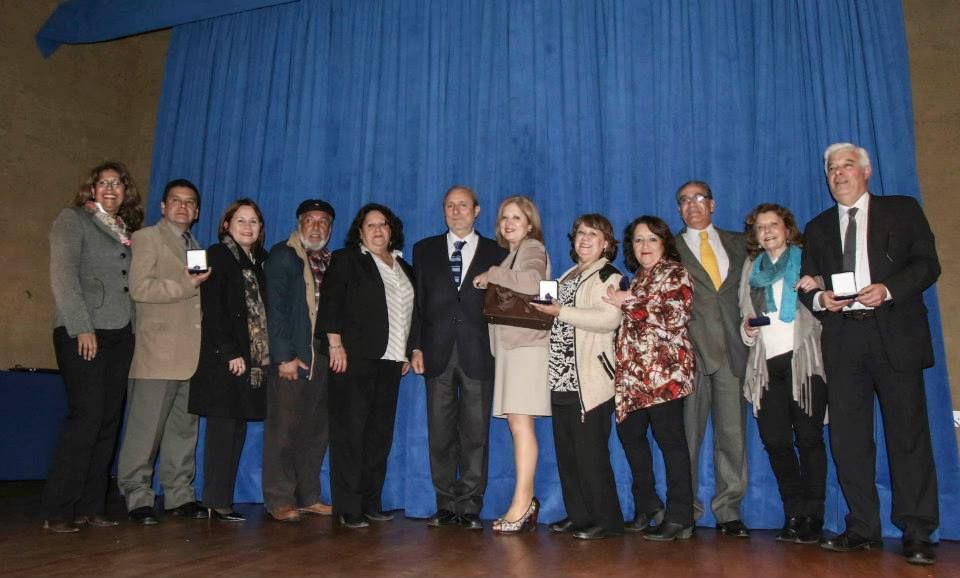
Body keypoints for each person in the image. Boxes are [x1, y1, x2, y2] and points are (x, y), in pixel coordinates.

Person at [800, 143, 941, 566]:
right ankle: (862, 526)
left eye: (847, 166)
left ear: (867, 171)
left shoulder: (902, 209)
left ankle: (917, 531)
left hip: (895, 333)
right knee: (848, 439)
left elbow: (927, 264)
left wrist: (889, 289)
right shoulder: (818, 226)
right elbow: (808, 286)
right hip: (844, 340)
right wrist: (822, 299)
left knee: (908, 435)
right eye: (831, 168)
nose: (838, 174)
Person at [43, 161, 144, 533]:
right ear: (92, 189)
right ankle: (58, 509)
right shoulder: (72, 220)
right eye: (103, 183)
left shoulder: (126, 231)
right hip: (83, 330)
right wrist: (82, 327)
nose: (111, 189)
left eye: (118, 183)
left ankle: (92, 505)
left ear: (126, 192)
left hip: (120, 334)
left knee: (108, 420)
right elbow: (63, 276)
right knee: (86, 416)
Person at [410, 186, 507, 530]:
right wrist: (416, 347)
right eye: (450, 205)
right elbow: (418, 304)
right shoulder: (424, 250)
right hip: (436, 353)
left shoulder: (498, 251)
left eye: (463, 205)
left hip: (480, 352)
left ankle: (469, 506)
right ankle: (445, 504)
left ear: (476, 210)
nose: (456, 211)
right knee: (439, 434)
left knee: (476, 434)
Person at [318, 203, 418, 529]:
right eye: (370, 225)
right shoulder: (347, 260)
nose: (378, 230)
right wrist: (335, 344)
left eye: (383, 224)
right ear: (359, 232)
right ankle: (348, 507)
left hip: (391, 362)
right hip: (353, 359)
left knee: (378, 437)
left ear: (392, 230)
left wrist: (406, 352)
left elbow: (411, 314)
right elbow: (331, 302)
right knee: (350, 435)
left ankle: (370, 503)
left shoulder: (404, 267)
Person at [118, 179, 211, 526]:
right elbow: (140, 289)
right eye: (176, 200)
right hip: (157, 353)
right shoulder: (146, 238)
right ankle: (137, 496)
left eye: (189, 202)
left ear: (197, 211)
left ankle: (179, 495)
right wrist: (186, 284)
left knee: (182, 432)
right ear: (163, 206)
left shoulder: (196, 247)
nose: (183, 207)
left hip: (190, 355)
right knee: (145, 432)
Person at [530, 214, 624, 540]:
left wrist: (561, 311)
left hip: (590, 379)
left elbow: (609, 319)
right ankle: (580, 515)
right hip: (561, 377)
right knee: (568, 454)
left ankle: (607, 520)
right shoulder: (568, 274)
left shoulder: (609, 275)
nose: (584, 239)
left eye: (592, 234)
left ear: (606, 243)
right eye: (580, 233)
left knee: (591, 454)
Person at [737, 203, 827, 544]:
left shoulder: (807, 261)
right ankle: (793, 512)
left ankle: (813, 516)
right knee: (775, 441)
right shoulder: (751, 267)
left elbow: (825, 303)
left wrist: (817, 285)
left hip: (804, 362)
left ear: (787, 229)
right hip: (766, 366)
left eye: (773, 225)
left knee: (809, 440)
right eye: (760, 227)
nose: (767, 231)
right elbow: (745, 315)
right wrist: (747, 330)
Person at [604, 215, 697, 541]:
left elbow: (675, 316)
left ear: (664, 243)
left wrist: (628, 301)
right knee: (631, 438)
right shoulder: (638, 278)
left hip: (664, 375)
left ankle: (680, 516)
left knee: (671, 443)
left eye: (651, 239)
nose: (644, 246)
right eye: (638, 239)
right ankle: (648, 505)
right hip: (633, 379)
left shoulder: (675, 272)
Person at [674, 181, 751, 537]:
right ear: (679, 209)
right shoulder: (669, 247)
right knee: (687, 437)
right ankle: (685, 510)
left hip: (733, 351)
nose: (692, 205)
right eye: (684, 200)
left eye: (699, 198)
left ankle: (728, 511)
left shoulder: (741, 243)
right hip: (689, 356)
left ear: (713, 204)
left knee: (732, 436)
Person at [472, 195, 550, 534]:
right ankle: (524, 501)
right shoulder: (513, 253)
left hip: (526, 348)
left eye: (516, 217)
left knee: (520, 426)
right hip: (515, 348)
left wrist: (491, 274)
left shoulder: (532, 247)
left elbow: (533, 282)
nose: (508, 223)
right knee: (518, 425)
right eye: (504, 217)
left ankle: (522, 502)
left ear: (530, 224)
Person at [189, 199, 269, 522]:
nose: (247, 227)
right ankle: (215, 500)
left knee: (236, 430)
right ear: (226, 225)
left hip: (250, 358)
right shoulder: (216, 255)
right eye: (240, 220)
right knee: (222, 432)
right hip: (225, 358)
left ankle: (222, 500)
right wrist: (228, 351)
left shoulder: (259, 261)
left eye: (253, 221)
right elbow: (212, 307)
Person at [262, 199, 336, 523]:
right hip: (293, 354)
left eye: (323, 222)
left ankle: (308, 496)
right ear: (299, 223)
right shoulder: (283, 255)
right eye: (310, 220)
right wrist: (284, 357)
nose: (316, 227)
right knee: (284, 429)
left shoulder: (332, 261)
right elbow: (274, 308)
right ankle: (279, 498)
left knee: (316, 431)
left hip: (322, 355)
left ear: (330, 229)